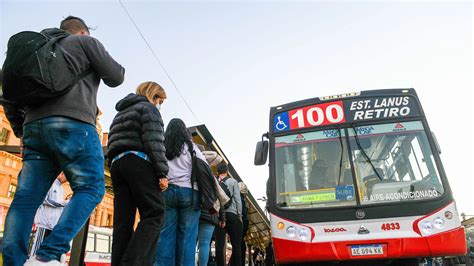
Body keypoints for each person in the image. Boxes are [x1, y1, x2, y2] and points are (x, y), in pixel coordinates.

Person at [2, 16, 124, 266]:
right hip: (74, 124)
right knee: (91, 188)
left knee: (26, 198)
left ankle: (14, 261)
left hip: (34, 129)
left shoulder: (33, 52)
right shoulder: (84, 43)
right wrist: (93, 48)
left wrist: (21, 132)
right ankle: (47, 255)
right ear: (82, 32)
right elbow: (117, 76)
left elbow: (8, 97)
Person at [107, 81, 168, 265]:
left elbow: (111, 141)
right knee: (154, 213)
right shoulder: (149, 109)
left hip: (117, 164)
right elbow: (154, 142)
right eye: (160, 100)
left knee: (123, 222)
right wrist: (162, 173)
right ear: (153, 95)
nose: (159, 105)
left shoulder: (120, 113)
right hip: (138, 161)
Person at [154, 118, 205, 266]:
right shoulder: (191, 147)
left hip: (167, 192)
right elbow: (204, 169)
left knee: (165, 235)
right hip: (190, 193)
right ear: (184, 131)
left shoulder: (163, 147)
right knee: (187, 238)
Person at [29, 173, 70, 258]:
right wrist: (65, 203)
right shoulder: (48, 184)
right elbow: (45, 200)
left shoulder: (61, 188)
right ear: (61, 174)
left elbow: (59, 206)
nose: (67, 180)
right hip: (43, 224)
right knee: (37, 249)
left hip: (53, 225)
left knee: (46, 250)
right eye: (66, 177)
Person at [197, 151, 225, 266]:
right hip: (210, 213)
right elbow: (220, 198)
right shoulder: (213, 178)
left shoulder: (193, 171)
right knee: (205, 244)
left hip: (196, 211)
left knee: (190, 241)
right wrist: (222, 218)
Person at [215, 163, 243, 266]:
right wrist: (239, 215)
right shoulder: (233, 181)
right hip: (232, 214)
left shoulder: (215, 181)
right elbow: (237, 199)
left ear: (217, 172)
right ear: (227, 171)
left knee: (219, 246)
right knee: (236, 245)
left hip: (218, 215)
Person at [239, 182, 249, 266]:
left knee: (241, 247)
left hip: (241, 228)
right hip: (240, 228)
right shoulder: (241, 200)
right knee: (240, 247)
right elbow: (244, 216)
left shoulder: (241, 200)